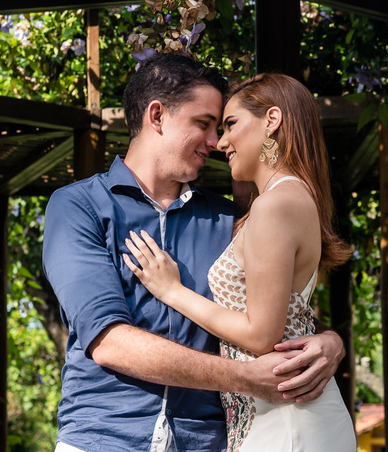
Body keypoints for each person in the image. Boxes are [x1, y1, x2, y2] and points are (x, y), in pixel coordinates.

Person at [43, 55, 345, 452]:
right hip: (104, 438)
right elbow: (110, 342)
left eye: (220, 127)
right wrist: (244, 377)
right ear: (157, 116)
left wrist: (329, 342)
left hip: (205, 443)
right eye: (203, 124)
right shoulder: (78, 206)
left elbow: (272, 312)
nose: (215, 143)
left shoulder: (230, 220)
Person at [125, 73, 358, 451]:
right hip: (277, 413)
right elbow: (290, 316)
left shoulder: (277, 203)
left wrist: (173, 291)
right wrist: (331, 340)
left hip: (289, 420)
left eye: (230, 124)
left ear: (272, 120)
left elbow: (262, 335)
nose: (221, 142)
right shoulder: (282, 200)